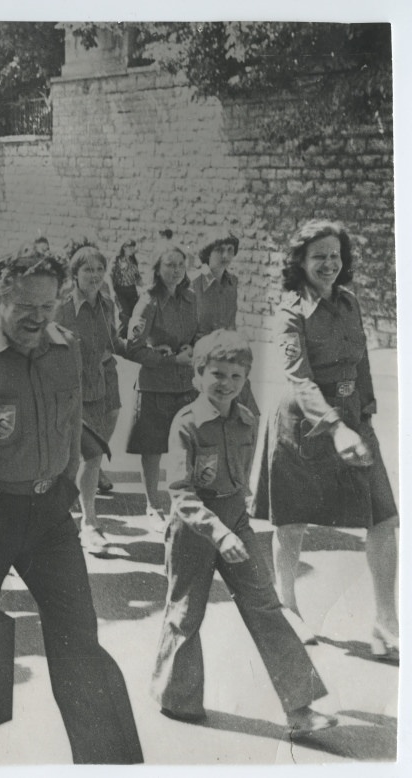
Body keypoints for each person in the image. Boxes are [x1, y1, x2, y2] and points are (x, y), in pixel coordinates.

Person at [0, 248, 142, 765]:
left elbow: (69, 429)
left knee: (80, 640)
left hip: (47, 520)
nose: (39, 318)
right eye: (26, 307)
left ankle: (110, 764)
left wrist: (60, 490)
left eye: (49, 305)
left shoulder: (65, 348)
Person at [152, 329, 336, 734]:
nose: (227, 384)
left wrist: (237, 524)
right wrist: (217, 532)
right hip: (194, 531)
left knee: (266, 607)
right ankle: (177, 699)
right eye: (217, 374)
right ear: (197, 375)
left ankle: (300, 709)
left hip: (235, 522)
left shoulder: (247, 421)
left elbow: (240, 481)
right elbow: (181, 492)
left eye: (237, 377)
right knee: (185, 615)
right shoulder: (185, 425)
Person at [254, 220, 398, 660]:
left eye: (335, 255)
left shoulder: (349, 302)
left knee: (383, 518)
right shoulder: (290, 312)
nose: (329, 263)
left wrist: (365, 412)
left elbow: (361, 363)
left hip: (352, 421)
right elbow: (299, 378)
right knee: (292, 521)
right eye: (319, 256)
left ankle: (386, 620)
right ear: (300, 261)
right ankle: (288, 606)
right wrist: (336, 428)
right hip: (304, 427)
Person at [56, 246, 123, 555]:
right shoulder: (63, 309)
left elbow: (112, 342)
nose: (94, 275)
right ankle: (78, 521)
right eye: (87, 270)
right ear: (75, 274)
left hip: (97, 390)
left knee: (92, 455)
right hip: (69, 392)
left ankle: (86, 521)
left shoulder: (107, 305)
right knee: (74, 458)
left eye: (99, 269)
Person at [125, 244, 198, 521]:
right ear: (157, 269)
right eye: (169, 264)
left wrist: (192, 349)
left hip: (184, 384)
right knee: (152, 449)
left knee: (187, 446)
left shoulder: (190, 298)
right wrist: (168, 360)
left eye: (180, 264)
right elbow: (133, 348)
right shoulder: (148, 301)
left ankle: (183, 501)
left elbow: (196, 332)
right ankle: (152, 505)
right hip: (155, 384)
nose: (175, 270)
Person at [193, 232, 260, 416]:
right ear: (207, 252)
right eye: (219, 250)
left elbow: (230, 323)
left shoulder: (232, 283)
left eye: (230, 250)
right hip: (198, 357)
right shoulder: (194, 282)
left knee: (249, 411)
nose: (225, 256)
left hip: (225, 354)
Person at [110, 240, 142, 339]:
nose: (132, 250)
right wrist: (112, 291)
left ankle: (131, 340)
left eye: (133, 247)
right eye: (130, 247)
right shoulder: (116, 260)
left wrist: (144, 287)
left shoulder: (133, 261)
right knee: (124, 316)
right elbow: (109, 275)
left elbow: (137, 277)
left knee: (134, 316)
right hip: (120, 291)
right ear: (124, 247)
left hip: (132, 291)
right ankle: (120, 340)